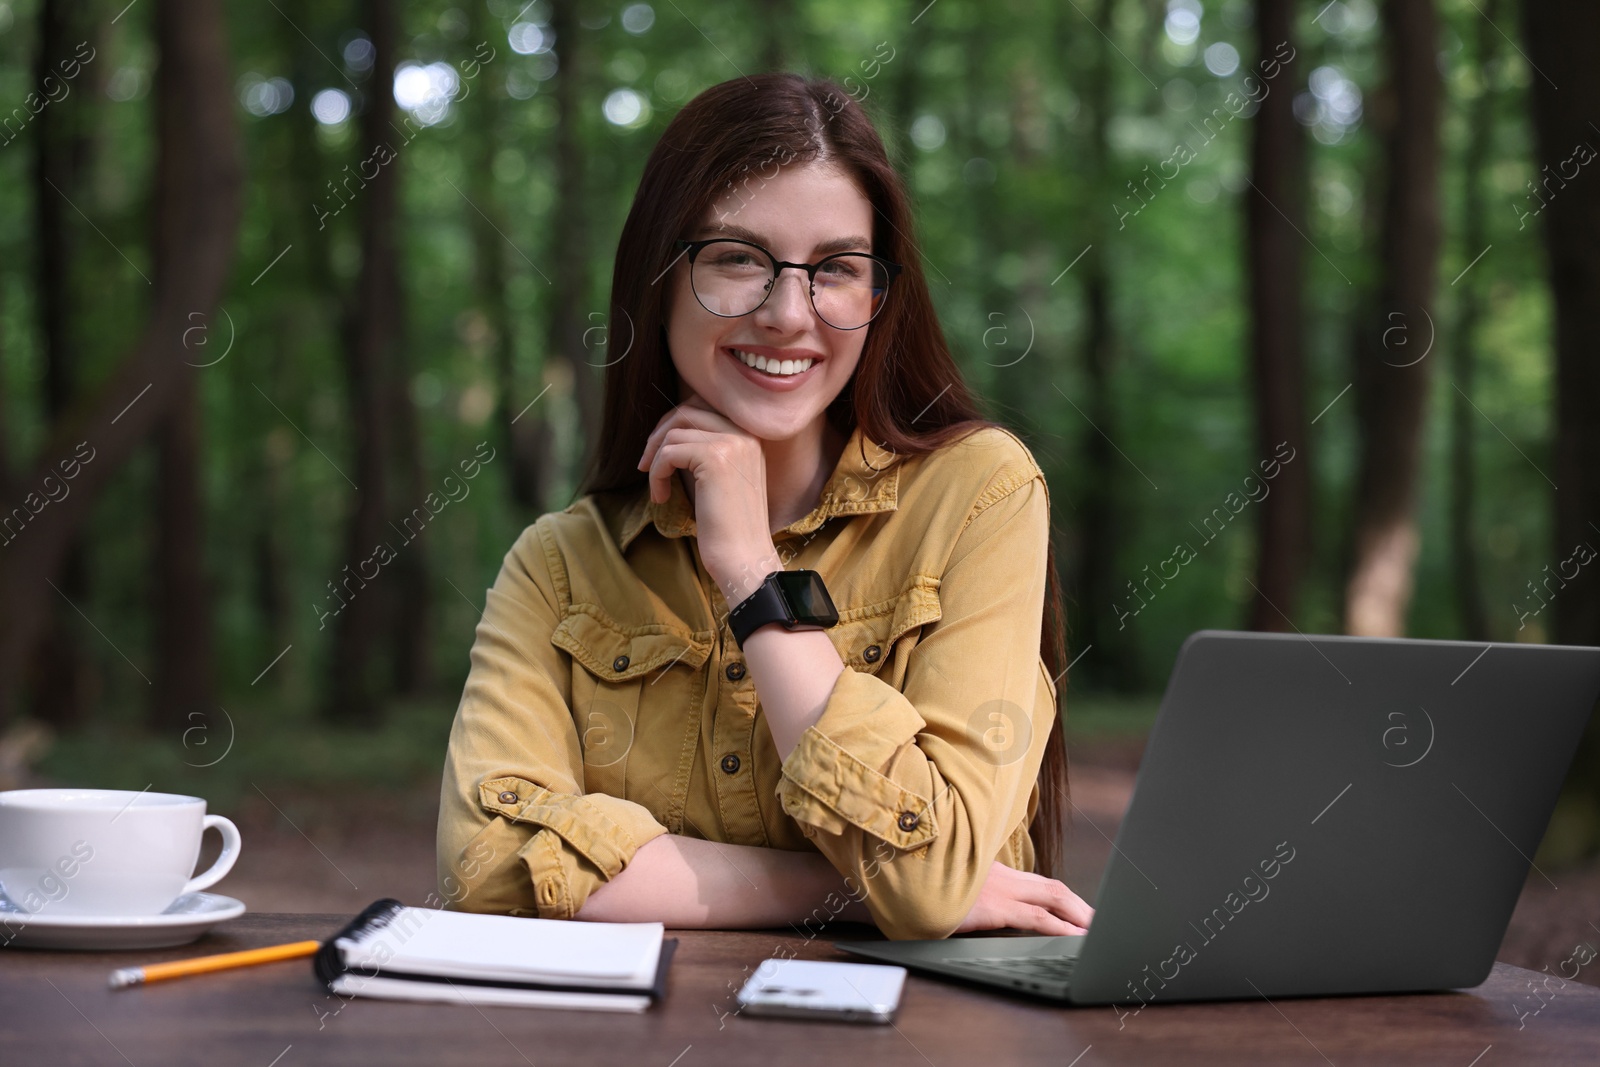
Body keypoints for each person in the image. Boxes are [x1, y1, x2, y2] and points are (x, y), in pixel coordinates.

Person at [436, 72, 1093, 941]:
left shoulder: (979, 493)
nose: (790, 313)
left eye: (838, 269)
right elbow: (485, 866)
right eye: (739, 258)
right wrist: (847, 890)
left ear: (877, 298)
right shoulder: (561, 565)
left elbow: (931, 876)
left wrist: (753, 572)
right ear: (660, 281)